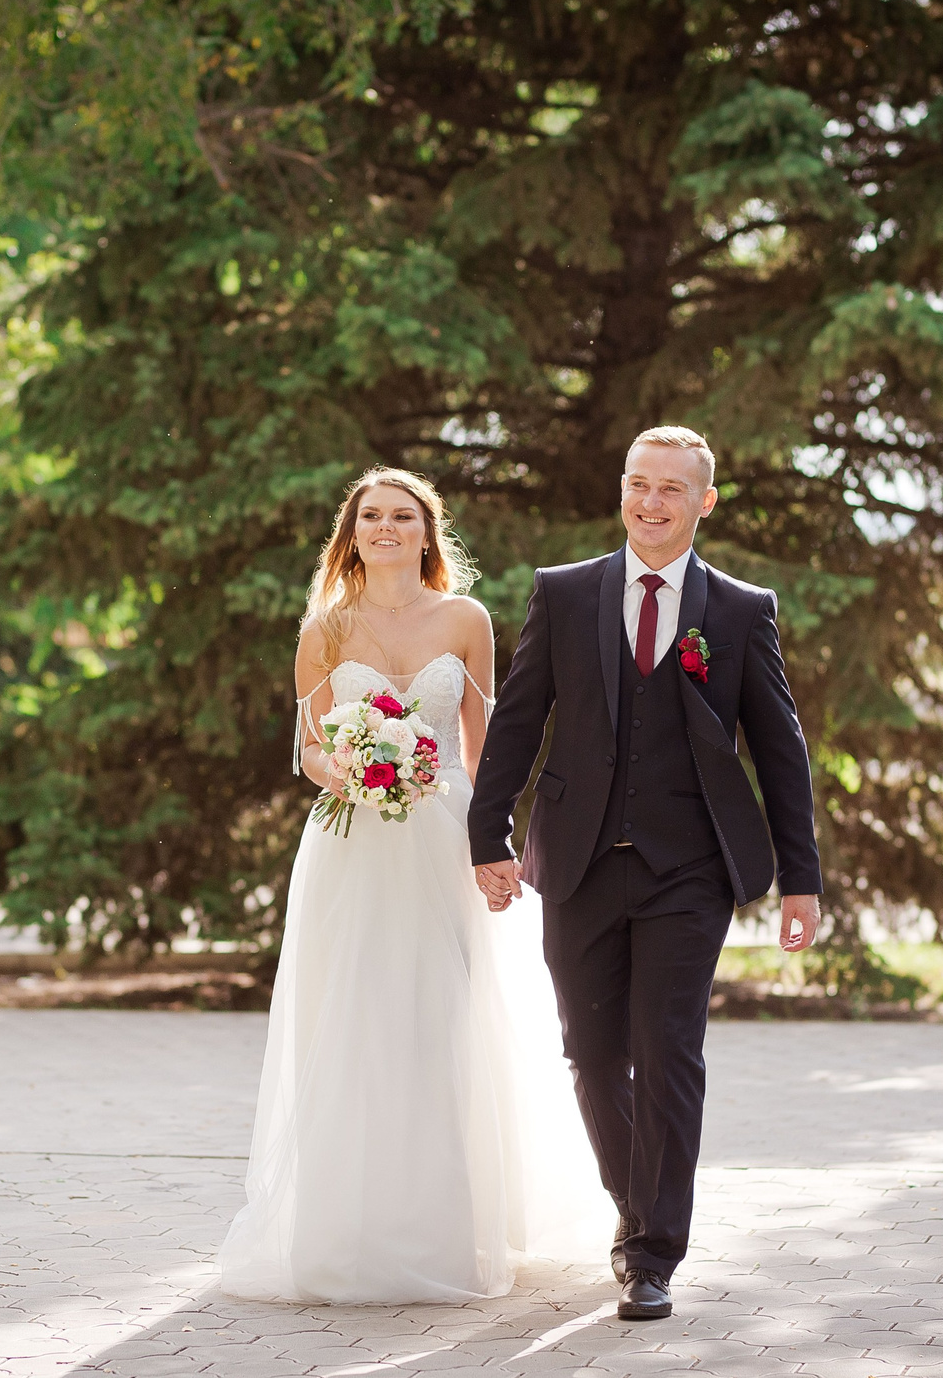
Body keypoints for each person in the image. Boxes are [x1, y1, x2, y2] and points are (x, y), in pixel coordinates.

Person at [218, 469, 613, 1305]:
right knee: (356, 1019)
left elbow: (487, 748)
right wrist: (355, 771)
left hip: (443, 838)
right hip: (352, 843)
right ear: (351, 533)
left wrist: (493, 843)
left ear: (429, 533)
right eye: (372, 517)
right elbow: (311, 749)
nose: (387, 528)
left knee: (446, 1019)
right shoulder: (323, 630)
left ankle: (452, 1226)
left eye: (404, 516)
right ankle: (349, 1230)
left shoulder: (466, 621)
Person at [470, 426, 824, 1322]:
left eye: (673, 488)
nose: (652, 502)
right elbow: (517, 720)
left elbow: (781, 750)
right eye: (639, 483)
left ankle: (653, 1250)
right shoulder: (566, 592)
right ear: (622, 490)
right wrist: (486, 835)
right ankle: (640, 1205)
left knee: (668, 1051)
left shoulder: (741, 610)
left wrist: (800, 877)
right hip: (578, 859)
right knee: (592, 1057)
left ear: (705, 501)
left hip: (690, 868)